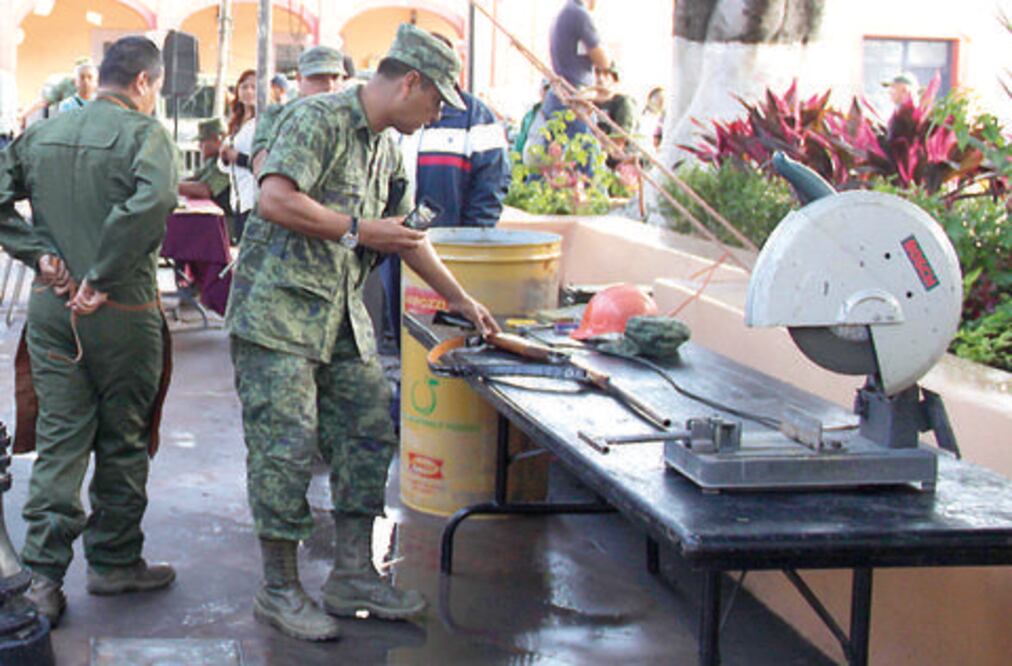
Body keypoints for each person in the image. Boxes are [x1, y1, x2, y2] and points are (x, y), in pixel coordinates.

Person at [226, 23, 500, 642]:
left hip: (342, 319)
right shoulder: (317, 119)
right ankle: (279, 588)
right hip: (277, 317)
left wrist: (460, 297)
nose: (437, 115)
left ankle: (353, 574)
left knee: (367, 433)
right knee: (285, 449)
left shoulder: (388, 149)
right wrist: (358, 229)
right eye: (435, 101)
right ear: (410, 83)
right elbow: (274, 200)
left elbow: (405, 236)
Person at [0, 36, 179, 628]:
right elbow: (155, 200)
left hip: (54, 309)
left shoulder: (43, 133)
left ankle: (41, 581)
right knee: (123, 439)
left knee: (61, 441)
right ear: (144, 82)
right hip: (122, 309)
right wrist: (102, 275)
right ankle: (115, 561)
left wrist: (36, 253)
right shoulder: (145, 136)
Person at [251, 45, 348, 176]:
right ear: (299, 78)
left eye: (335, 77)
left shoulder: (351, 119)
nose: (329, 86)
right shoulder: (277, 116)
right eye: (318, 78)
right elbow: (260, 166)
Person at [542, 0, 610, 173]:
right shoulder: (579, 14)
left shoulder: (565, 13)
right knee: (584, 167)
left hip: (561, 95)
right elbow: (603, 61)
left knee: (556, 168)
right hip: (574, 99)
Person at [220, 69, 257, 242]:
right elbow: (225, 168)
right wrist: (225, 157)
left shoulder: (262, 122)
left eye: (253, 87)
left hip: (254, 199)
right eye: (244, 87)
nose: (248, 91)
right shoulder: (236, 123)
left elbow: (266, 162)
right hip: (238, 198)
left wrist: (239, 158)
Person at [179, 118, 232, 215]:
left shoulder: (226, 160)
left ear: (217, 139)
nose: (199, 146)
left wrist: (170, 187)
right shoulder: (213, 160)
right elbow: (196, 179)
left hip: (227, 219)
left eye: (202, 141)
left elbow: (205, 190)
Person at [513, 78, 550, 156]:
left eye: (552, 90)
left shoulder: (563, 117)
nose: (549, 93)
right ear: (540, 91)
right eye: (546, 89)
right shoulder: (530, 115)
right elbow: (520, 142)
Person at [641, 86, 665, 150]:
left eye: (663, 99)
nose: (660, 102)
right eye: (657, 98)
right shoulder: (642, 118)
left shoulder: (663, 120)